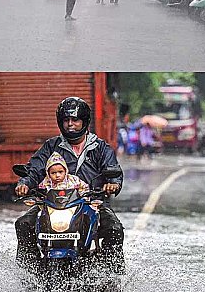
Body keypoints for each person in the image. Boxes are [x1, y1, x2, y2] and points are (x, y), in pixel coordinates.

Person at [14, 97, 125, 273]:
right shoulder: (52, 146)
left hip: (91, 203)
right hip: (52, 203)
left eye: (75, 120)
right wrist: (25, 183)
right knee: (23, 224)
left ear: (84, 121)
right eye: (66, 120)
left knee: (114, 228)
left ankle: (112, 273)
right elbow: (34, 168)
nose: (70, 124)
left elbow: (114, 170)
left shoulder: (100, 147)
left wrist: (113, 183)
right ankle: (29, 272)